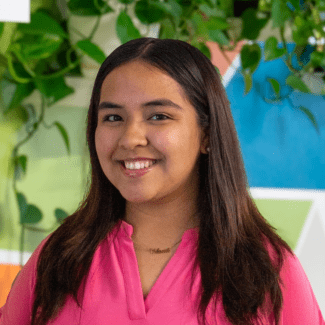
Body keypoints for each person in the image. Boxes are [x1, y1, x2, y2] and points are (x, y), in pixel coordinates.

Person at [0, 37, 324, 325]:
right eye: (113, 117)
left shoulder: (268, 272)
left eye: (158, 116)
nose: (130, 138)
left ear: (207, 134)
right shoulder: (57, 259)